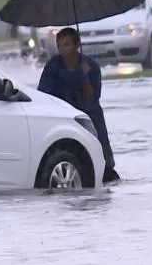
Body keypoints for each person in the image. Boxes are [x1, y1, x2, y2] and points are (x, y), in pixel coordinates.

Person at [37, 27, 120, 183]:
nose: (62, 49)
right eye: (59, 45)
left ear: (76, 45)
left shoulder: (91, 67)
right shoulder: (53, 67)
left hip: (90, 119)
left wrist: (84, 78)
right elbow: (44, 95)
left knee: (104, 166)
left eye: (67, 45)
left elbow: (92, 99)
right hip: (63, 118)